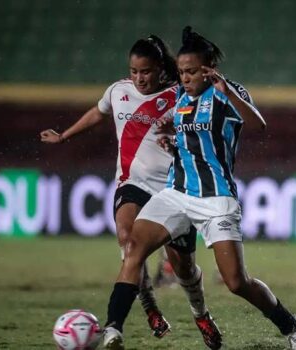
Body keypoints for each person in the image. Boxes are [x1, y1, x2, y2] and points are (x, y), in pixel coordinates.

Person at [102, 27, 296, 350]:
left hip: (215, 198)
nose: (184, 78)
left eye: (191, 72)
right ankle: (113, 330)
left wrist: (228, 92)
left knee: (236, 282)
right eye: (182, 72)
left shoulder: (226, 94)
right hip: (176, 193)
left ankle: (291, 326)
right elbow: (188, 132)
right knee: (133, 247)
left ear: (209, 68)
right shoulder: (182, 97)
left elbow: (258, 125)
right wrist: (171, 136)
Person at [40, 35, 221, 348]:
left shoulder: (181, 94)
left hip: (173, 189)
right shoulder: (118, 91)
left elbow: (201, 129)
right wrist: (65, 136)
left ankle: (201, 313)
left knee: (184, 269)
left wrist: (178, 141)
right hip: (132, 184)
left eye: (146, 72)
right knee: (127, 242)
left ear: (160, 69)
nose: (139, 78)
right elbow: (99, 111)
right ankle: (143, 310)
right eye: (134, 71)